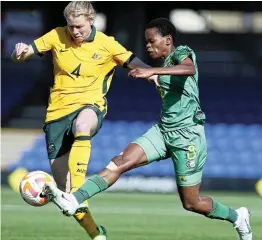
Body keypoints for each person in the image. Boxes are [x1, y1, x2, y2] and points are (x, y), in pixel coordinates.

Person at [42, 18, 252, 240]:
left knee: (192, 203)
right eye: (146, 42)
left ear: (168, 40)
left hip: (188, 136)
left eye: (152, 41)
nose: (148, 46)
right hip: (163, 132)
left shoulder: (182, 53)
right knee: (120, 162)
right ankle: (75, 198)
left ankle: (237, 217)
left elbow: (188, 69)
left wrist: (153, 72)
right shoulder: (160, 66)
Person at [11, 2, 158, 240]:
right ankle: (97, 234)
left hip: (91, 106)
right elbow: (26, 52)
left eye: (79, 26)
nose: (75, 31)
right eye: (71, 26)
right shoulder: (57, 35)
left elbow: (133, 61)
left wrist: (153, 73)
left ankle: (78, 190)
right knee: (64, 193)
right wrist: (19, 52)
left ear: (91, 20)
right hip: (56, 114)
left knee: (83, 125)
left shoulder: (107, 44)